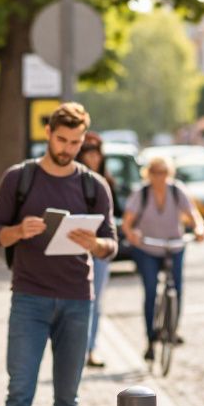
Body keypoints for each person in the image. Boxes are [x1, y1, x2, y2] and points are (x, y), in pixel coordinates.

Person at [0, 102, 117, 406]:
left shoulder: (94, 186)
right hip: (29, 299)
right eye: (62, 140)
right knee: (20, 392)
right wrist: (17, 231)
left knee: (68, 397)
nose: (68, 149)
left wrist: (97, 245)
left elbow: (112, 244)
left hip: (78, 301)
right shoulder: (20, 179)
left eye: (76, 142)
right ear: (48, 133)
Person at [121, 157, 204, 361]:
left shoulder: (177, 190)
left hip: (174, 246)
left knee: (176, 288)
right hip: (148, 247)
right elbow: (127, 222)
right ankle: (151, 339)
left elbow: (193, 213)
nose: (159, 176)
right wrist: (132, 234)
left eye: (163, 172)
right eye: (155, 172)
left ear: (169, 173)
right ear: (148, 173)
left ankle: (172, 329)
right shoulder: (140, 193)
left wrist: (199, 228)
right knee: (151, 289)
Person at [78, 133, 118, 369]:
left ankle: (92, 348)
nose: (93, 158)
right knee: (78, 303)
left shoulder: (106, 182)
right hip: (76, 247)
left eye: (97, 154)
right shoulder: (75, 181)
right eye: (89, 153)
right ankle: (77, 348)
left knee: (96, 302)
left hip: (100, 247)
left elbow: (113, 216)